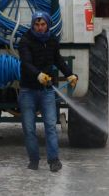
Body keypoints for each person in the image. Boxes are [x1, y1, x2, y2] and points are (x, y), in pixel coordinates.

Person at [18, 11, 78, 172]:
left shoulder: (52, 40)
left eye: (43, 24)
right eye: (36, 25)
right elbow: (26, 63)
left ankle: (54, 160)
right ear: (32, 25)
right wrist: (38, 75)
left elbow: (57, 59)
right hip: (27, 91)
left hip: (47, 91)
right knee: (29, 129)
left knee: (51, 126)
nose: (40, 28)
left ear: (47, 25)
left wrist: (69, 74)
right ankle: (34, 160)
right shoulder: (25, 41)